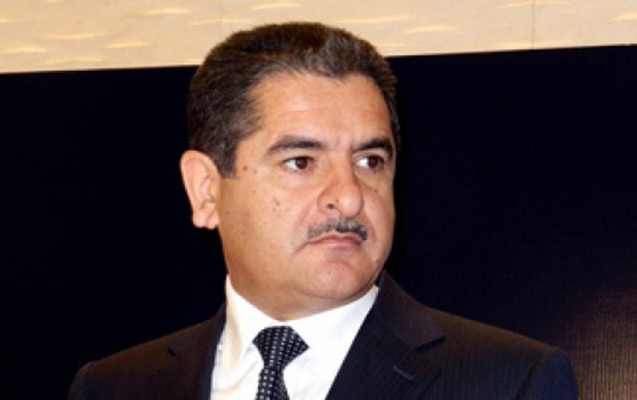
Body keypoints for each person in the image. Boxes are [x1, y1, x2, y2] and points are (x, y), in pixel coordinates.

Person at [68, 22, 578, 399]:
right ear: (206, 190)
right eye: (301, 162)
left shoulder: (508, 381)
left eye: (370, 160)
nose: (350, 197)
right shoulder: (115, 386)